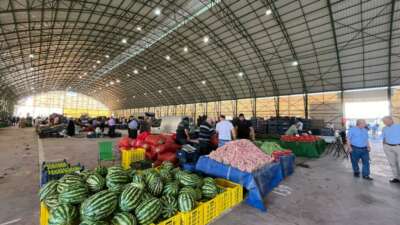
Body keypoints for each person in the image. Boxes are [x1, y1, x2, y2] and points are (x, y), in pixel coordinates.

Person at [382, 116, 400, 183]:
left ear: (391, 120)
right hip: (388, 147)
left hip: (398, 146)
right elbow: (384, 137)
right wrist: (384, 145)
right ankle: (396, 178)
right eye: (384, 121)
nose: (385, 122)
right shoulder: (384, 128)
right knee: (392, 163)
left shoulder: (398, 126)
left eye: (386, 121)